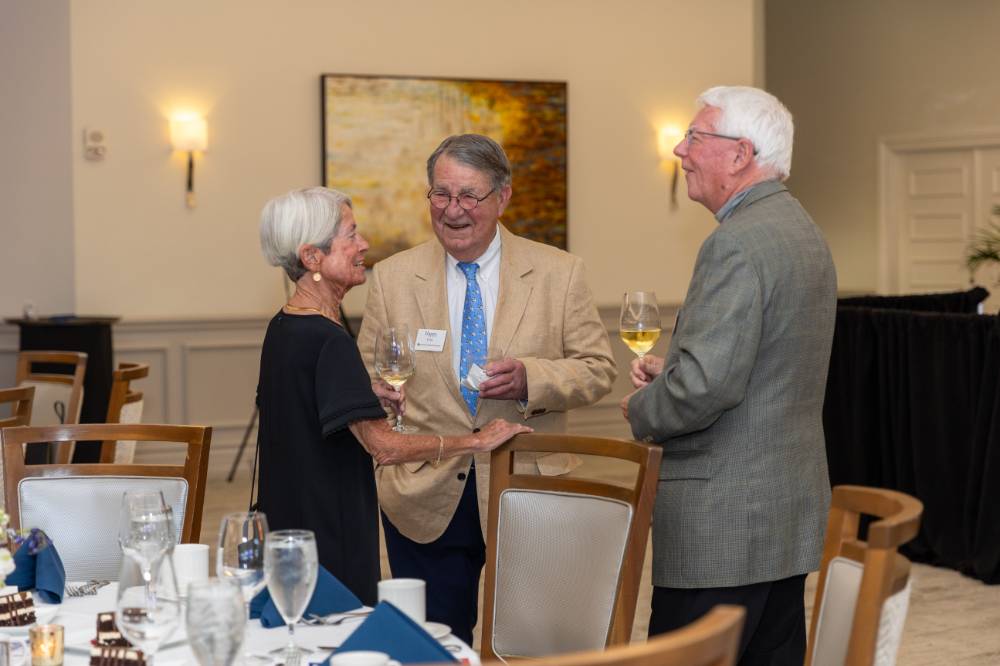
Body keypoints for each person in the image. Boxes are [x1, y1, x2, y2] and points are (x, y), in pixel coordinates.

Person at [358, 134, 616, 642]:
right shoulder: (392, 277)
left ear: (503, 197)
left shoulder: (559, 274)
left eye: (469, 196)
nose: (453, 210)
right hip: (425, 493)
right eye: (441, 194)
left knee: (529, 644)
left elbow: (598, 369)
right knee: (431, 644)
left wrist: (532, 378)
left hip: (529, 490)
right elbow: (368, 376)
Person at [621, 87, 837, 665]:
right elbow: (769, 363)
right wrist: (680, 367)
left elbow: (704, 390)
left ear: (740, 154)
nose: (680, 151)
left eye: (694, 137)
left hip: (723, 524)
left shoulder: (735, 243)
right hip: (778, 515)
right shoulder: (800, 228)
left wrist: (642, 409)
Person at [255, 186, 531, 606]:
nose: (363, 244)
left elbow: (303, 407)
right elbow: (383, 447)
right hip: (329, 535)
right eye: (350, 235)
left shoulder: (284, 326)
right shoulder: (329, 340)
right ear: (312, 257)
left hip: (289, 529)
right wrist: (475, 441)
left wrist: (360, 394)